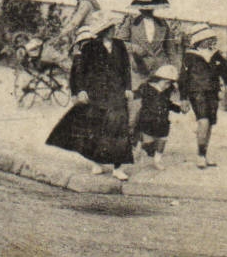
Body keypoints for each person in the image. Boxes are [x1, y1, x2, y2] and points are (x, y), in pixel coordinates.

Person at [46, 15, 135, 180]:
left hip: (116, 91)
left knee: (119, 125)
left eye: (113, 28)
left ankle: (118, 166)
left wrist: (128, 88)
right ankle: (96, 162)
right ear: (102, 31)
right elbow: (80, 71)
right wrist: (80, 90)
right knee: (97, 126)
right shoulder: (90, 47)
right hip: (97, 92)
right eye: (109, 29)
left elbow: (126, 68)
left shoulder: (119, 45)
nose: (112, 31)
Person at [178, 25, 227, 170]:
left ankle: (204, 154)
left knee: (210, 124)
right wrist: (183, 98)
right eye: (207, 39)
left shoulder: (216, 56)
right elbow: (183, 78)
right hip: (197, 93)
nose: (210, 41)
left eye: (211, 39)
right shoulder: (190, 57)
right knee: (203, 122)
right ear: (200, 41)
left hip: (212, 92)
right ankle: (200, 156)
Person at [133, 63, 181, 171]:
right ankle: (141, 146)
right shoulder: (146, 88)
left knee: (162, 141)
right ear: (157, 79)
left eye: (170, 84)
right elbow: (135, 95)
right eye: (165, 83)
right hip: (147, 119)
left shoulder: (167, 91)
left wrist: (178, 108)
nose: (167, 86)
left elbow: (167, 103)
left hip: (163, 120)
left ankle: (157, 161)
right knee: (148, 141)